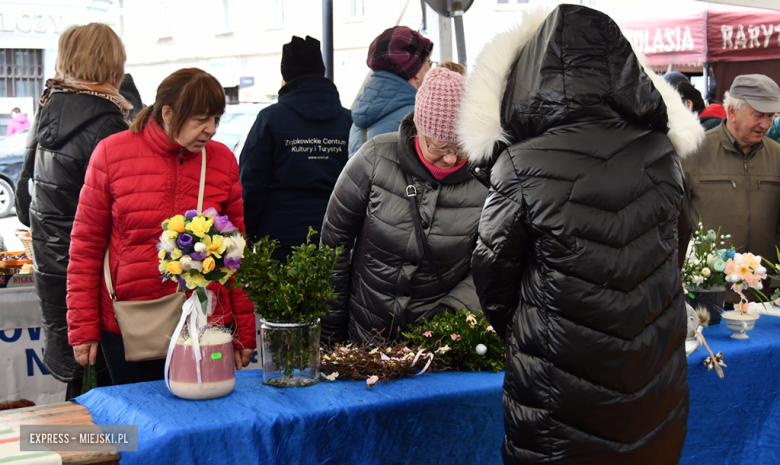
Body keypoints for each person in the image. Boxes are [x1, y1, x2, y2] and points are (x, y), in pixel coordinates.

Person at [463, 5, 702, 463]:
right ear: (624, 68)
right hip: (653, 379)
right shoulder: (662, 154)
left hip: (558, 385)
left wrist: (534, 327)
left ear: (532, 74)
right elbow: (678, 247)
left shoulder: (520, 164)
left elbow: (492, 274)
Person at [67, 68, 255, 385]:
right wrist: (83, 328)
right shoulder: (112, 154)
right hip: (131, 323)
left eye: (216, 120)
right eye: (200, 119)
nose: (210, 129)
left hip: (206, 323)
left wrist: (245, 331)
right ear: (167, 113)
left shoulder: (222, 160)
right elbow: (85, 247)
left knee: (205, 422)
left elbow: (236, 253)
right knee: (141, 424)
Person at [320, 67, 486, 344]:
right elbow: (333, 247)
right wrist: (331, 333)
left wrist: (451, 316)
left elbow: (489, 265)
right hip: (364, 334)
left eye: (460, 148)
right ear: (418, 130)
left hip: (440, 342)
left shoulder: (485, 180)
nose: (450, 159)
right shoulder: (374, 159)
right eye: (440, 147)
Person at [20, 23, 133, 399]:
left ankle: (74, 452)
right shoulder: (110, 125)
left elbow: (24, 204)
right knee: (110, 393)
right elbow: (127, 218)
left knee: (84, 383)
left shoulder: (47, 110)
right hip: (94, 280)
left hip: (52, 271)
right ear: (113, 63)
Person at [240, 36, 351, 258]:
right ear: (322, 71)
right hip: (336, 238)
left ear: (286, 76)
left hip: (279, 241)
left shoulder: (270, 120)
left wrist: (248, 236)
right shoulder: (349, 121)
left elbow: (252, 184)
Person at [682, 74, 780, 301]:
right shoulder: (693, 152)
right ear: (732, 111)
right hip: (707, 294)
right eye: (758, 115)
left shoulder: (777, 156)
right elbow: (672, 223)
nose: (766, 125)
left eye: (770, 116)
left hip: (765, 297)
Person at [348, 26, 433, 156]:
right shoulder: (418, 118)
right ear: (416, 70)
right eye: (429, 63)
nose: (431, 70)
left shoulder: (359, 116)